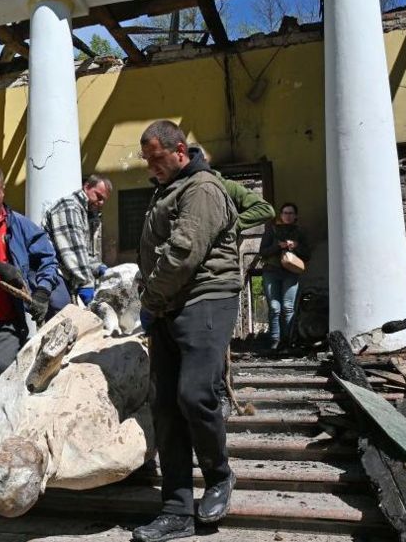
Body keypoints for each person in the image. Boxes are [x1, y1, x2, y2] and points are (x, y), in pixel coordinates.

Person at [134, 120, 242, 542]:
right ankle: (176, 509)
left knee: (195, 393)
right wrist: (156, 303)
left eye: (157, 159)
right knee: (165, 407)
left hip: (204, 299)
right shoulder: (168, 188)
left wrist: (148, 301)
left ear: (180, 151)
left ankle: (219, 477)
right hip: (167, 304)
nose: (151, 168)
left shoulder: (202, 189)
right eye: (147, 160)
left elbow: (182, 253)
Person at [0, 163, 69, 423]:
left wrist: (42, 291)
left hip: (7, 320)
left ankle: (5, 432)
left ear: (3, 191)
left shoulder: (20, 225)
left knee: (5, 372)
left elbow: (48, 259)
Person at [43, 175, 112, 306]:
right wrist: (85, 281)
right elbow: (73, 250)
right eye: (98, 196)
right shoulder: (69, 207)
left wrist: (98, 267)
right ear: (86, 187)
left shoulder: (88, 214)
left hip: (68, 274)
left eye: (104, 200)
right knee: (61, 311)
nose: (101, 202)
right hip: (52, 272)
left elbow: (85, 252)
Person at [258, 202, 311, 349]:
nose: (288, 216)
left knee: (288, 307)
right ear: (281, 215)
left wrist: (296, 246)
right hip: (271, 271)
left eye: (291, 213)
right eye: (285, 213)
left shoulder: (300, 232)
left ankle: (288, 341)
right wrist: (278, 246)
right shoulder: (271, 230)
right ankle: (275, 340)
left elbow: (307, 255)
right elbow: (263, 252)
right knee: (275, 307)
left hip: (291, 273)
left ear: (296, 216)